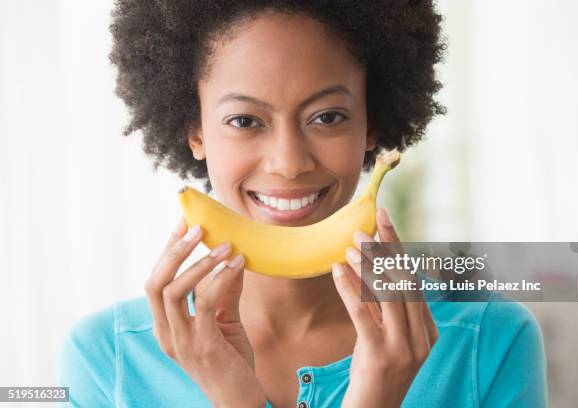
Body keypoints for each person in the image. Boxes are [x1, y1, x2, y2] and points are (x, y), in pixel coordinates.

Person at [60, 1, 547, 406]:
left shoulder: (489, 341)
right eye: (245, 121)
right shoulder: (107, 358)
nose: (289, 163)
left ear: (371, 124)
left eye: (327, 116)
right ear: (195, 130)